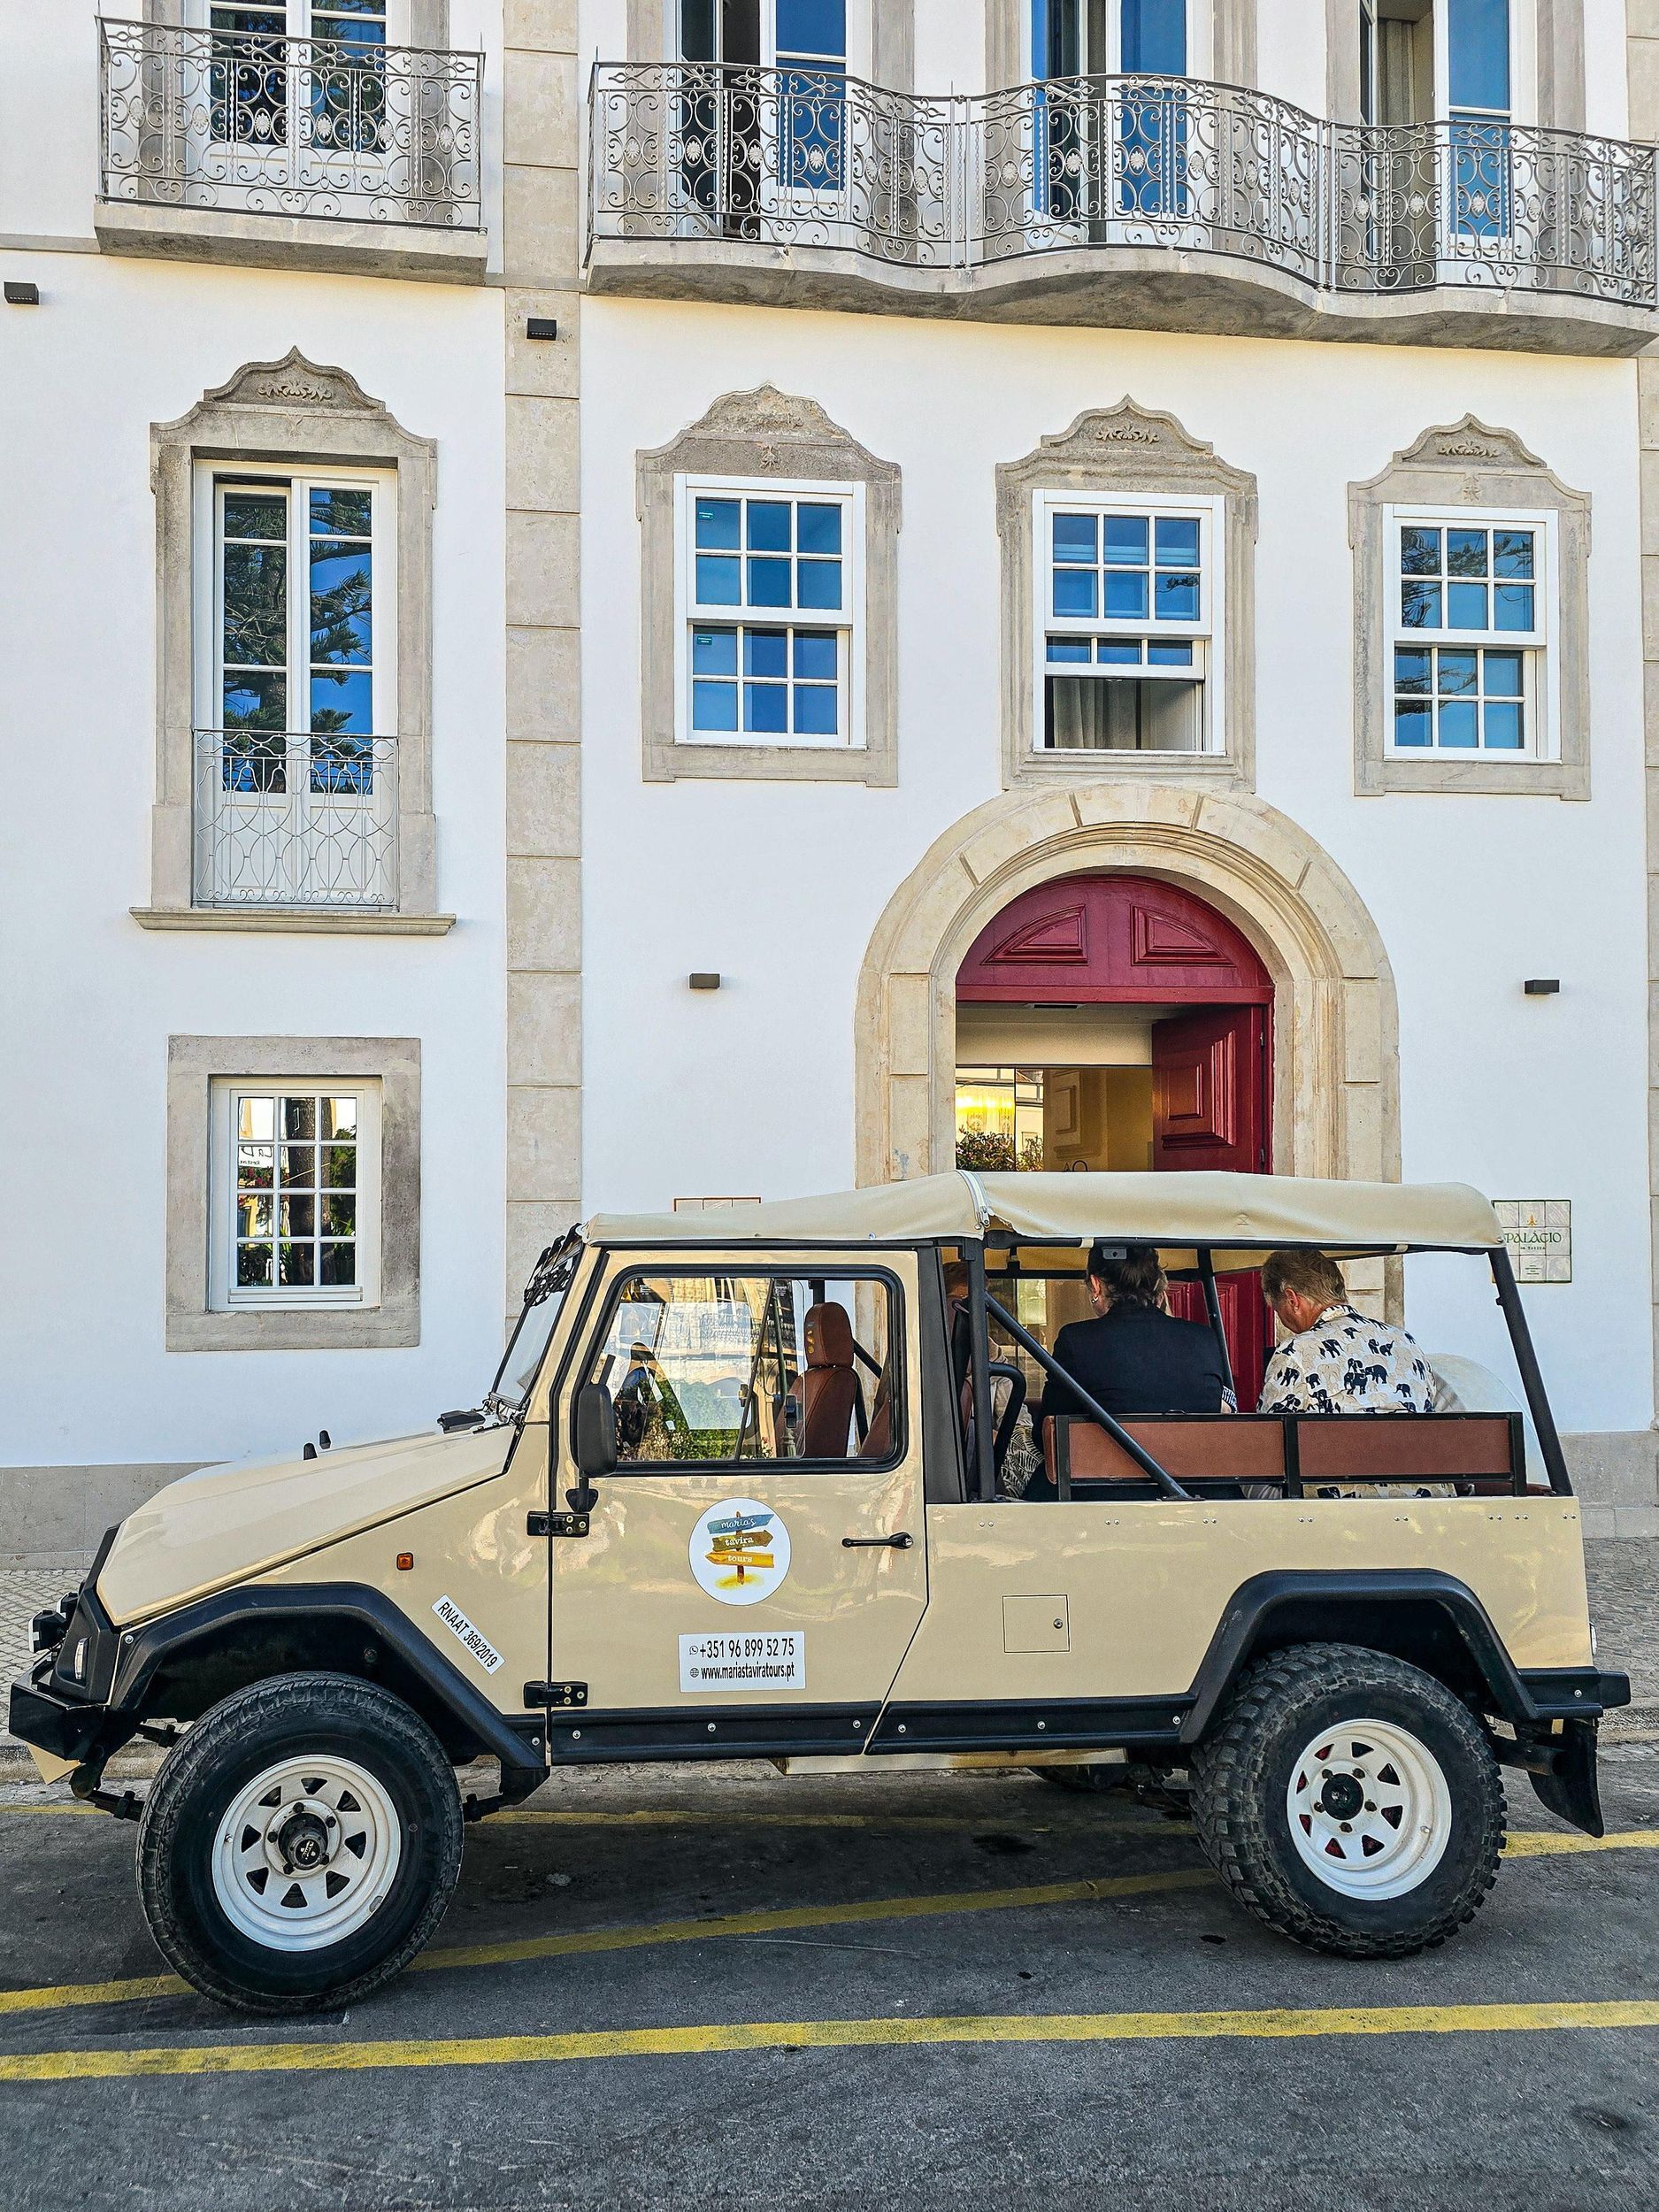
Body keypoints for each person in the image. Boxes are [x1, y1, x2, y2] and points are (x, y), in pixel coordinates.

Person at [1033, 1243, 1229, 1464]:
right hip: (1201, 1486)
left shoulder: (1076, 1340)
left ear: (1096, 1286)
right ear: (1157, 1284)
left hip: (1104, 1490)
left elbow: (1046, 1437)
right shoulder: (1203, 1338)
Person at [1257, 1249, 1432, 1415]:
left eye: (1277, 1309)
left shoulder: (1295, 1353)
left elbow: (1270, 1435)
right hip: (1415, 1446)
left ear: (1292, 1299)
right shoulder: (1405, 1341)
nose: (1280, 1317)